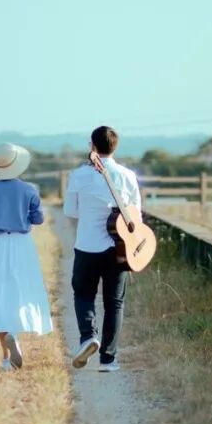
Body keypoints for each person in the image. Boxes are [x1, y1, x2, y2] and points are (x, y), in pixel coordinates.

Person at [62, 125, 141, 372]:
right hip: (118, 248)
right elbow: (136, 215)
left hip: (87, 245)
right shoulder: (128, 175)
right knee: (114, 303)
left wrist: (90, 213)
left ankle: (88, 336)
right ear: (115, 146)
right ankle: (108, 359)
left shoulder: (79, 175)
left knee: (83, 294)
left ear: (93, 146)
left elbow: (70, 211)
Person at [0, 142, 54, 371]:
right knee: (21, 291)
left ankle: (6, 357)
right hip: (21, 244)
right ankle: (15, 332)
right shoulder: (29, 190)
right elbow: (38, 219)